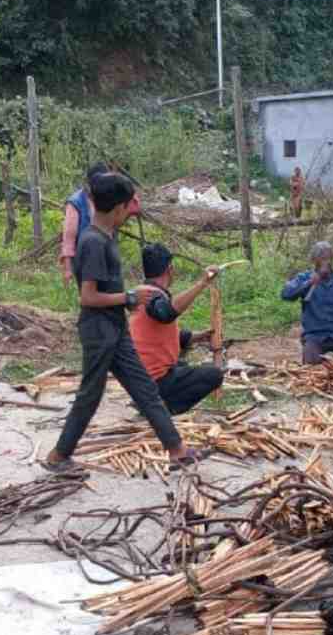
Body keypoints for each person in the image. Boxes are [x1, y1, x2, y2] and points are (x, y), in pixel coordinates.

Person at [42, 173, 200, 474]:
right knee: (91, 394)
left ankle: (177, 451)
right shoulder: (91, 242)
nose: (130, 213)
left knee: (144, 389)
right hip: (98, 330)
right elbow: (87, 297)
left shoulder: (107, 237)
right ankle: (58, 457)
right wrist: (130, 296)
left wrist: (127, 301)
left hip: (115, 327)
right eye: (128, 206)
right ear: (117, 209)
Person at [129, 243, 226, 416]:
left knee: (183, 366)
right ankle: (160, 410)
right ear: (170, 269)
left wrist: (200, 336)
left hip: (140, 380)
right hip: (153, 381)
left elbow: (168, 335)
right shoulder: (151, 295)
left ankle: (153, 404)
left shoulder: (141, 293)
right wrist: (202, 283)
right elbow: (165, 313)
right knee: (213, 375)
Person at [60, 161, 141, 286]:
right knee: (93, 293)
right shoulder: (76, 202)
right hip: (87, 255)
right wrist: (67, 268)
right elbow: (69, 237)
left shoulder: (111, 198)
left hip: (105, 251)